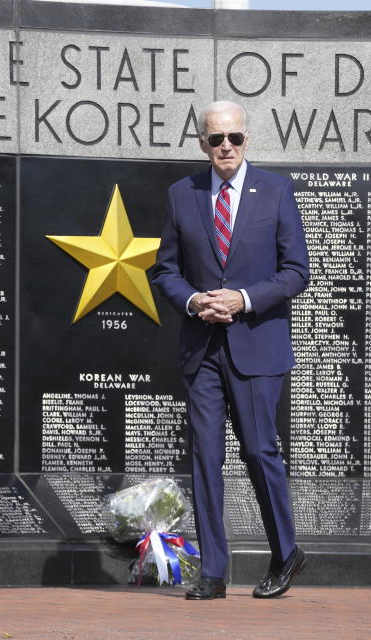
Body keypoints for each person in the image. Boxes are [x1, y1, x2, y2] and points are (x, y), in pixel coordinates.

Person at [151, 100, 309, 600]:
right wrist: (197, 300)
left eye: (234, 138)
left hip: (257, 348)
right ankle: (214, 572)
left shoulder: (277, 191)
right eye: (216, 139)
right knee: (205, 459)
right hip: (202, 349)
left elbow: (296, 272)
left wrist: (242, 299)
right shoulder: (182, 195)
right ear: (202, 143)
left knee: (260, 452)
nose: (226, 147)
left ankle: (286, 553)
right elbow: (165, 271)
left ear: (246, 140)